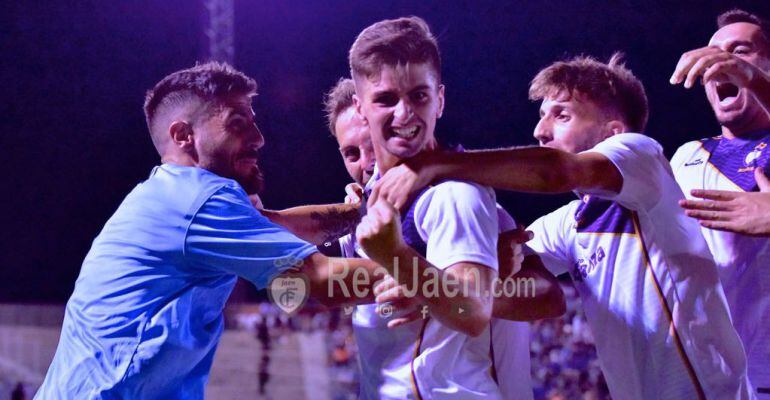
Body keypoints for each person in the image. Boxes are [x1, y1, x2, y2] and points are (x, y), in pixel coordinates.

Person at [367, 53, 753, 399]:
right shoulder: (569, 224)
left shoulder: (643, 159)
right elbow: (535, 288)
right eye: (541, 116)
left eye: (561, 115)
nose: (541, 131)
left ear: (613, 133)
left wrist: (438, 163)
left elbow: (557, 172)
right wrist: (437, 285)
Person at [35, 62, 385, 399]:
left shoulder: (171, 194)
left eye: (254, 121)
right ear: (184, 135)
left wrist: (364, 210)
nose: (259, 138)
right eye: (237, 123)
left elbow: (282, 226)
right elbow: (322, 280)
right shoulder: (201, 198)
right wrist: (434, 277)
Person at [323, 77, 563, 399]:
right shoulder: (361, 221)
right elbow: (316, 277)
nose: (367, 163)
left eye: (372, 145)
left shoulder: (462, 201)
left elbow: (549, 297)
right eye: (351, 153)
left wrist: (440, 288)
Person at [670, 9, 770, 397]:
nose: (719, 63)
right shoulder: (688, 158)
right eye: (712, 54)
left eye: (740, 51)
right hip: (710, 380)